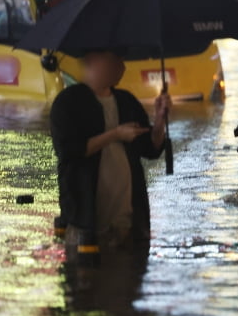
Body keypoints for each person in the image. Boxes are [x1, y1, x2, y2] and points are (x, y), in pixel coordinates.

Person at [50, 49, 172, 254]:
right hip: (86, 222)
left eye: (122, 59)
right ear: (92, 60)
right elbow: (69, 151)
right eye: (115, 59)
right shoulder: (67, 102)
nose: (122, 66)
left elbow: (150, 148)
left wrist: (159, 119)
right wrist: (115, 135)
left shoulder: (126, 101)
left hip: (128, 221)